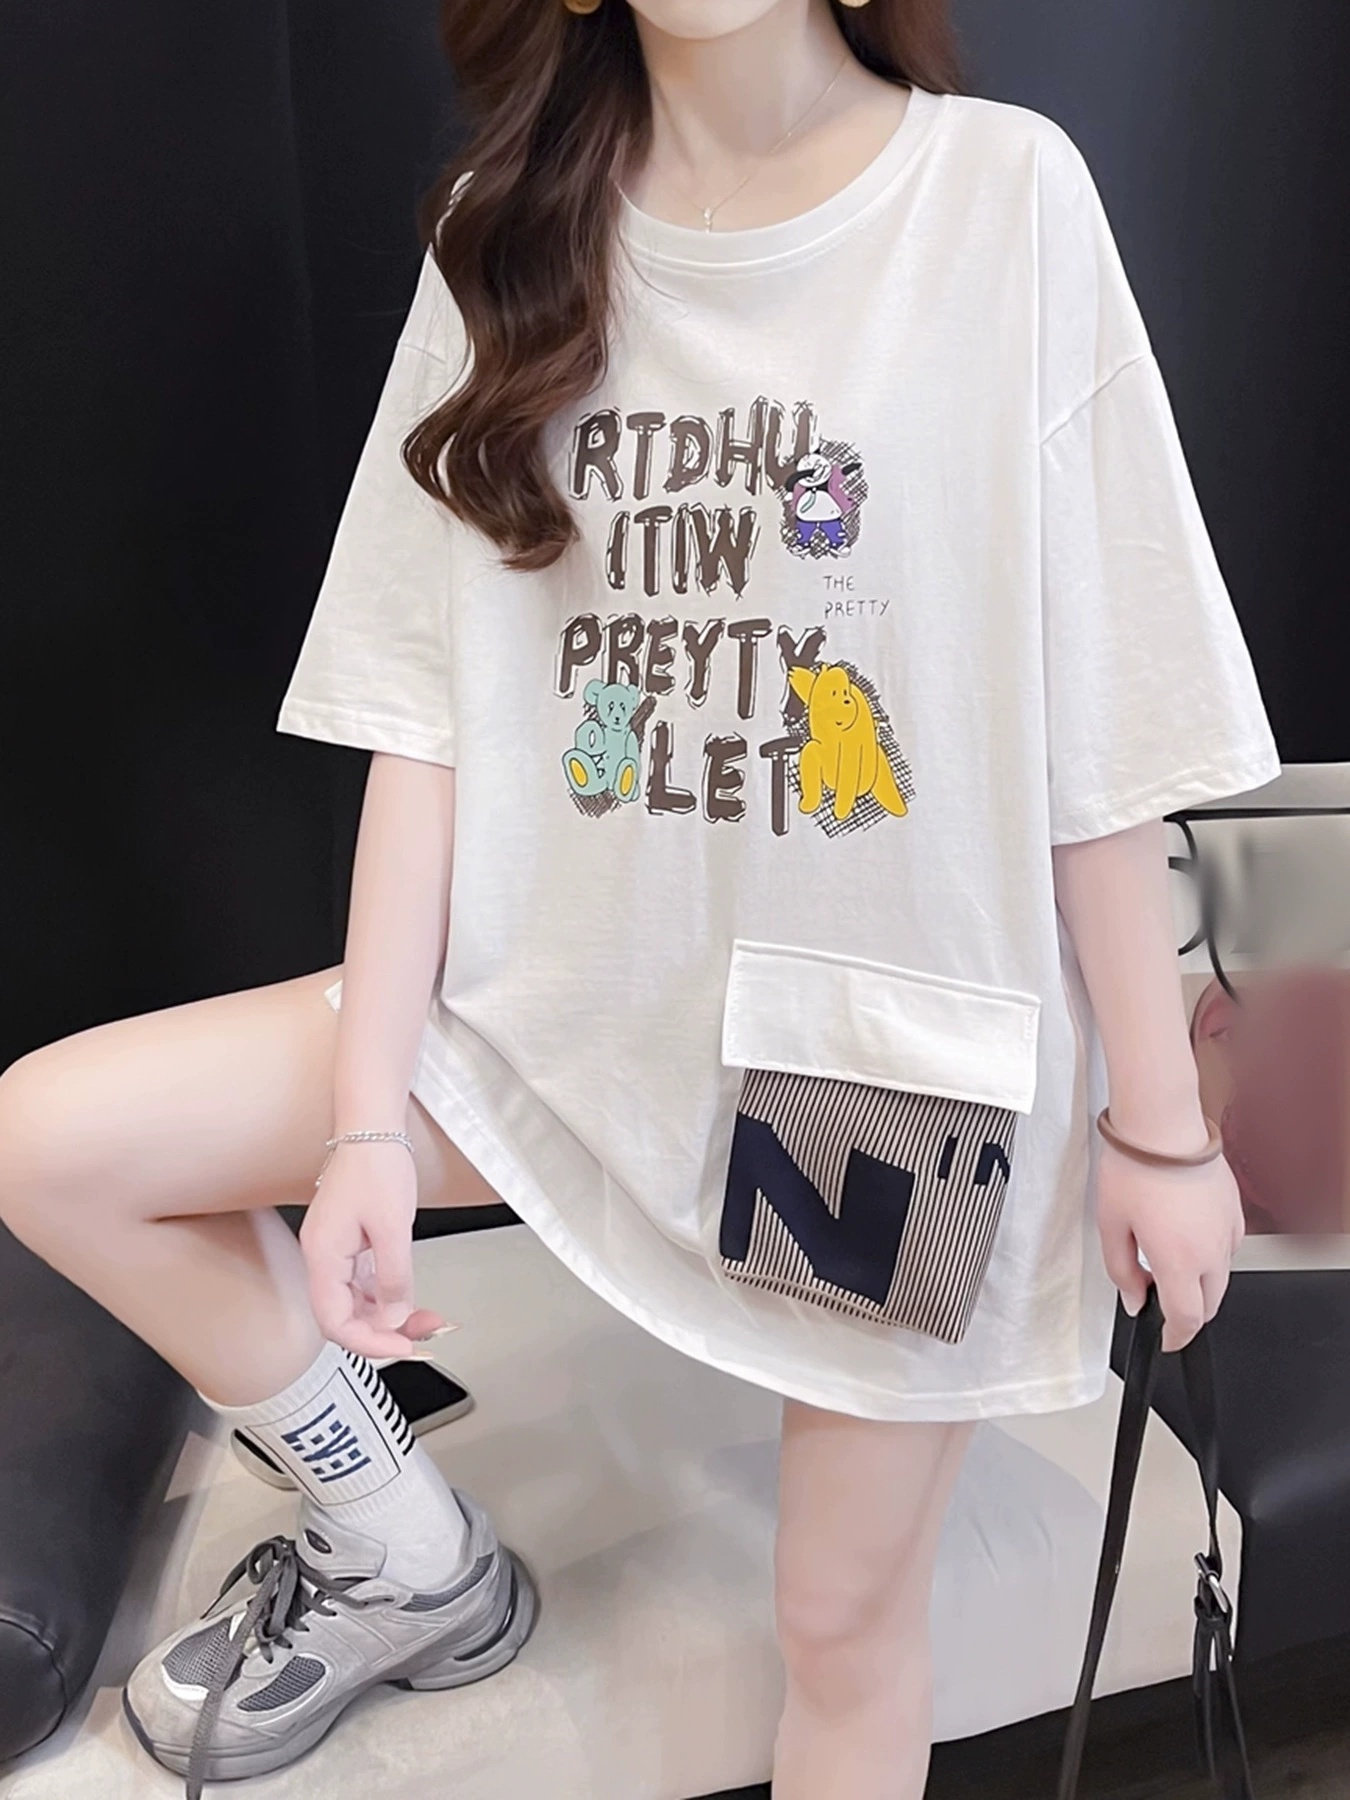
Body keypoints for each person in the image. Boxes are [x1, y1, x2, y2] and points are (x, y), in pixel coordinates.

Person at [0, 2, 1281, 1796]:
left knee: (839, 1633)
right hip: (563, 1006)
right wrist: (363, 1122)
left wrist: (1158, 1127)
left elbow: (1097, 714)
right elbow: (425, 720)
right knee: (51, 1140)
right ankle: (410, 1562)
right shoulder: (505, 231)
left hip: (872, 1061)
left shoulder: (999, 199)